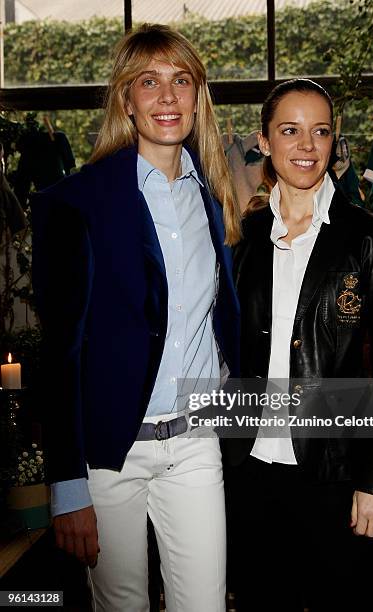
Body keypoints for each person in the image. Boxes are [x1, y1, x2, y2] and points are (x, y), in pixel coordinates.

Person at [31, 23, 240, 612]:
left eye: (182, 81)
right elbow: (61, 352)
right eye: (149, 82)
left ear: (200, 96)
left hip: (195, 445)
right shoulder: (77, 202)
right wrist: (67, 486)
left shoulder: (212, 195)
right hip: (109, 455)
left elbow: (219, 321)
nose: (167, 98)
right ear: (126, 99)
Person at [223, 79, 373, 611]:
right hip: (251, 472)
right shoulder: (246, 238)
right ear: (264, 141)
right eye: (291, 130)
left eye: (320, 132)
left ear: (333, 143)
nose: (307, 145)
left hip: (338, 472)